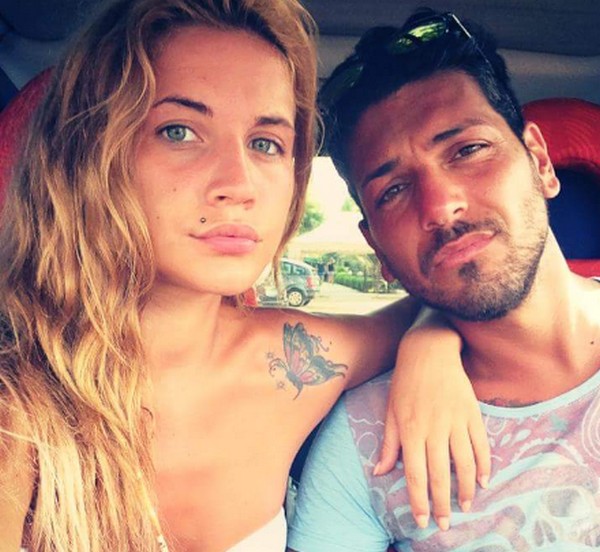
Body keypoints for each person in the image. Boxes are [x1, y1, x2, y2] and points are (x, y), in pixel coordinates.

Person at [0, 1, 490, 551]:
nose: (240, 184)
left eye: (265, 143)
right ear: (87, 154)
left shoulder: (294, 359)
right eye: (179, 131)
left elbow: (440, 303)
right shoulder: (17, 409)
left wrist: (430, 348)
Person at [288, 8, 600, 551]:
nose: (440, 206)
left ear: (540, 163)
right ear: (377, 248)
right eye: (393, 190)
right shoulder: (366, 443)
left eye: (467, 150)